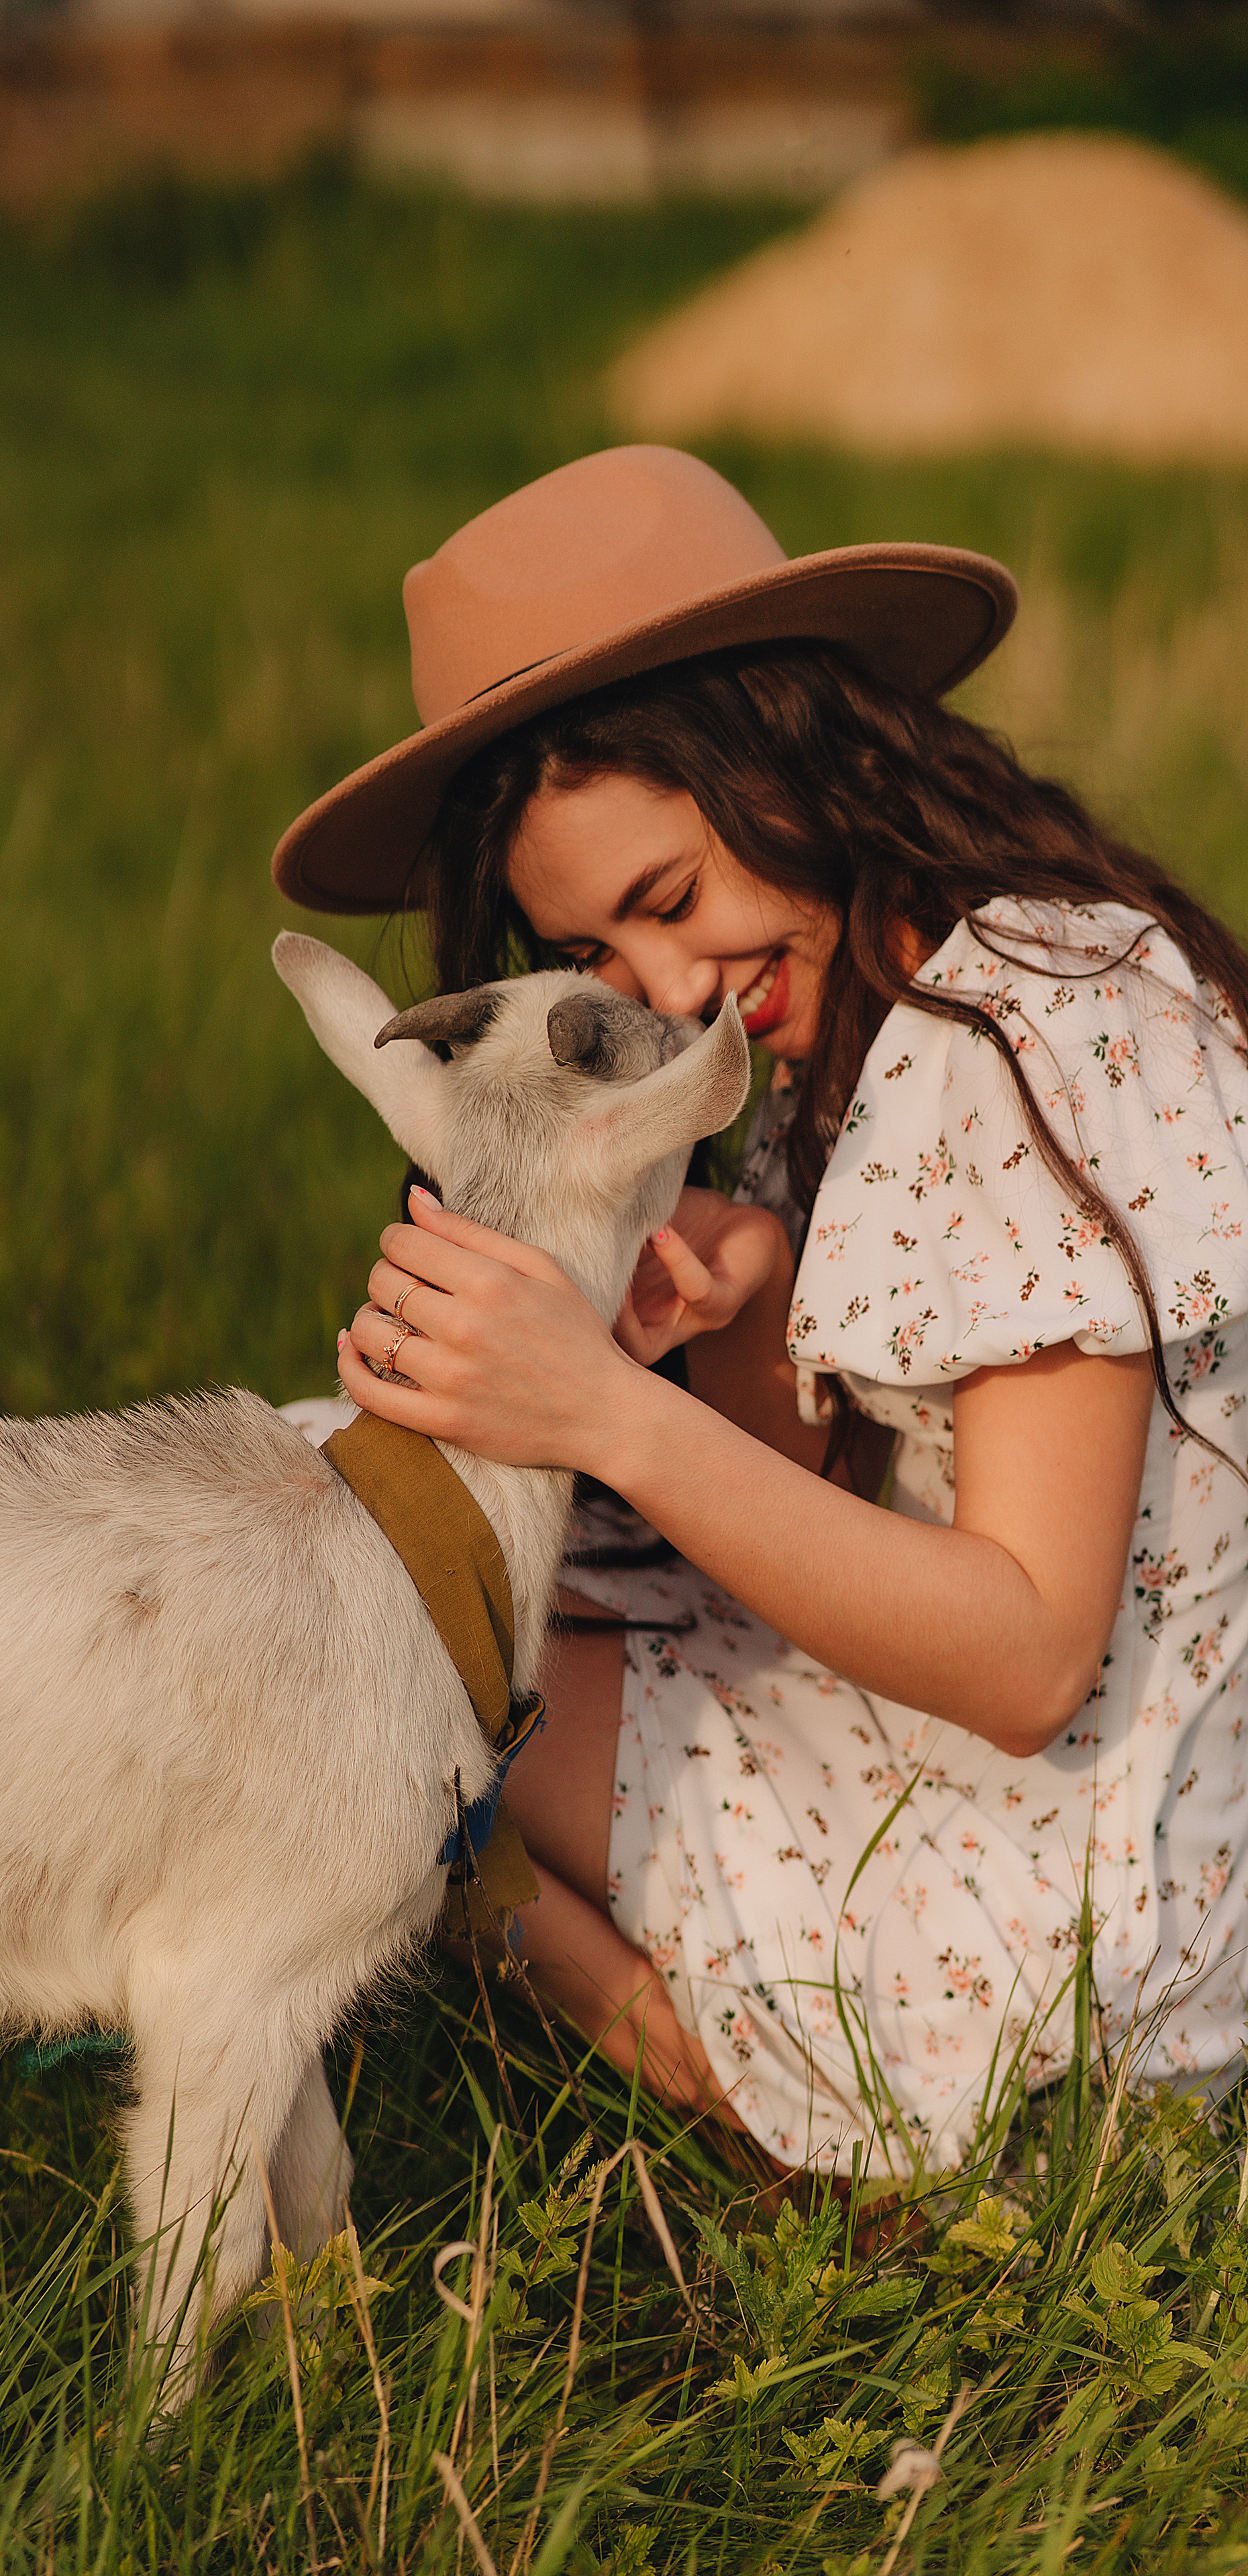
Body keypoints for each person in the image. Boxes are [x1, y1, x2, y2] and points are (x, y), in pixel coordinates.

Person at [270, 446, 1248, 2177]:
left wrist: (597, 1410)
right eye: (599, 956)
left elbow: (1024, 1656)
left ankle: (827, 2136)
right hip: (1131, 1813)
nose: (670, 993)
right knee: (436, 1611)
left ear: (792, 748)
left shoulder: (998, 1036)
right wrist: (761, 1290)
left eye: (670, 899)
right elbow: (829, 1497)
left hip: (1113, 1912)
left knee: (389, 1689)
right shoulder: (880, 998)